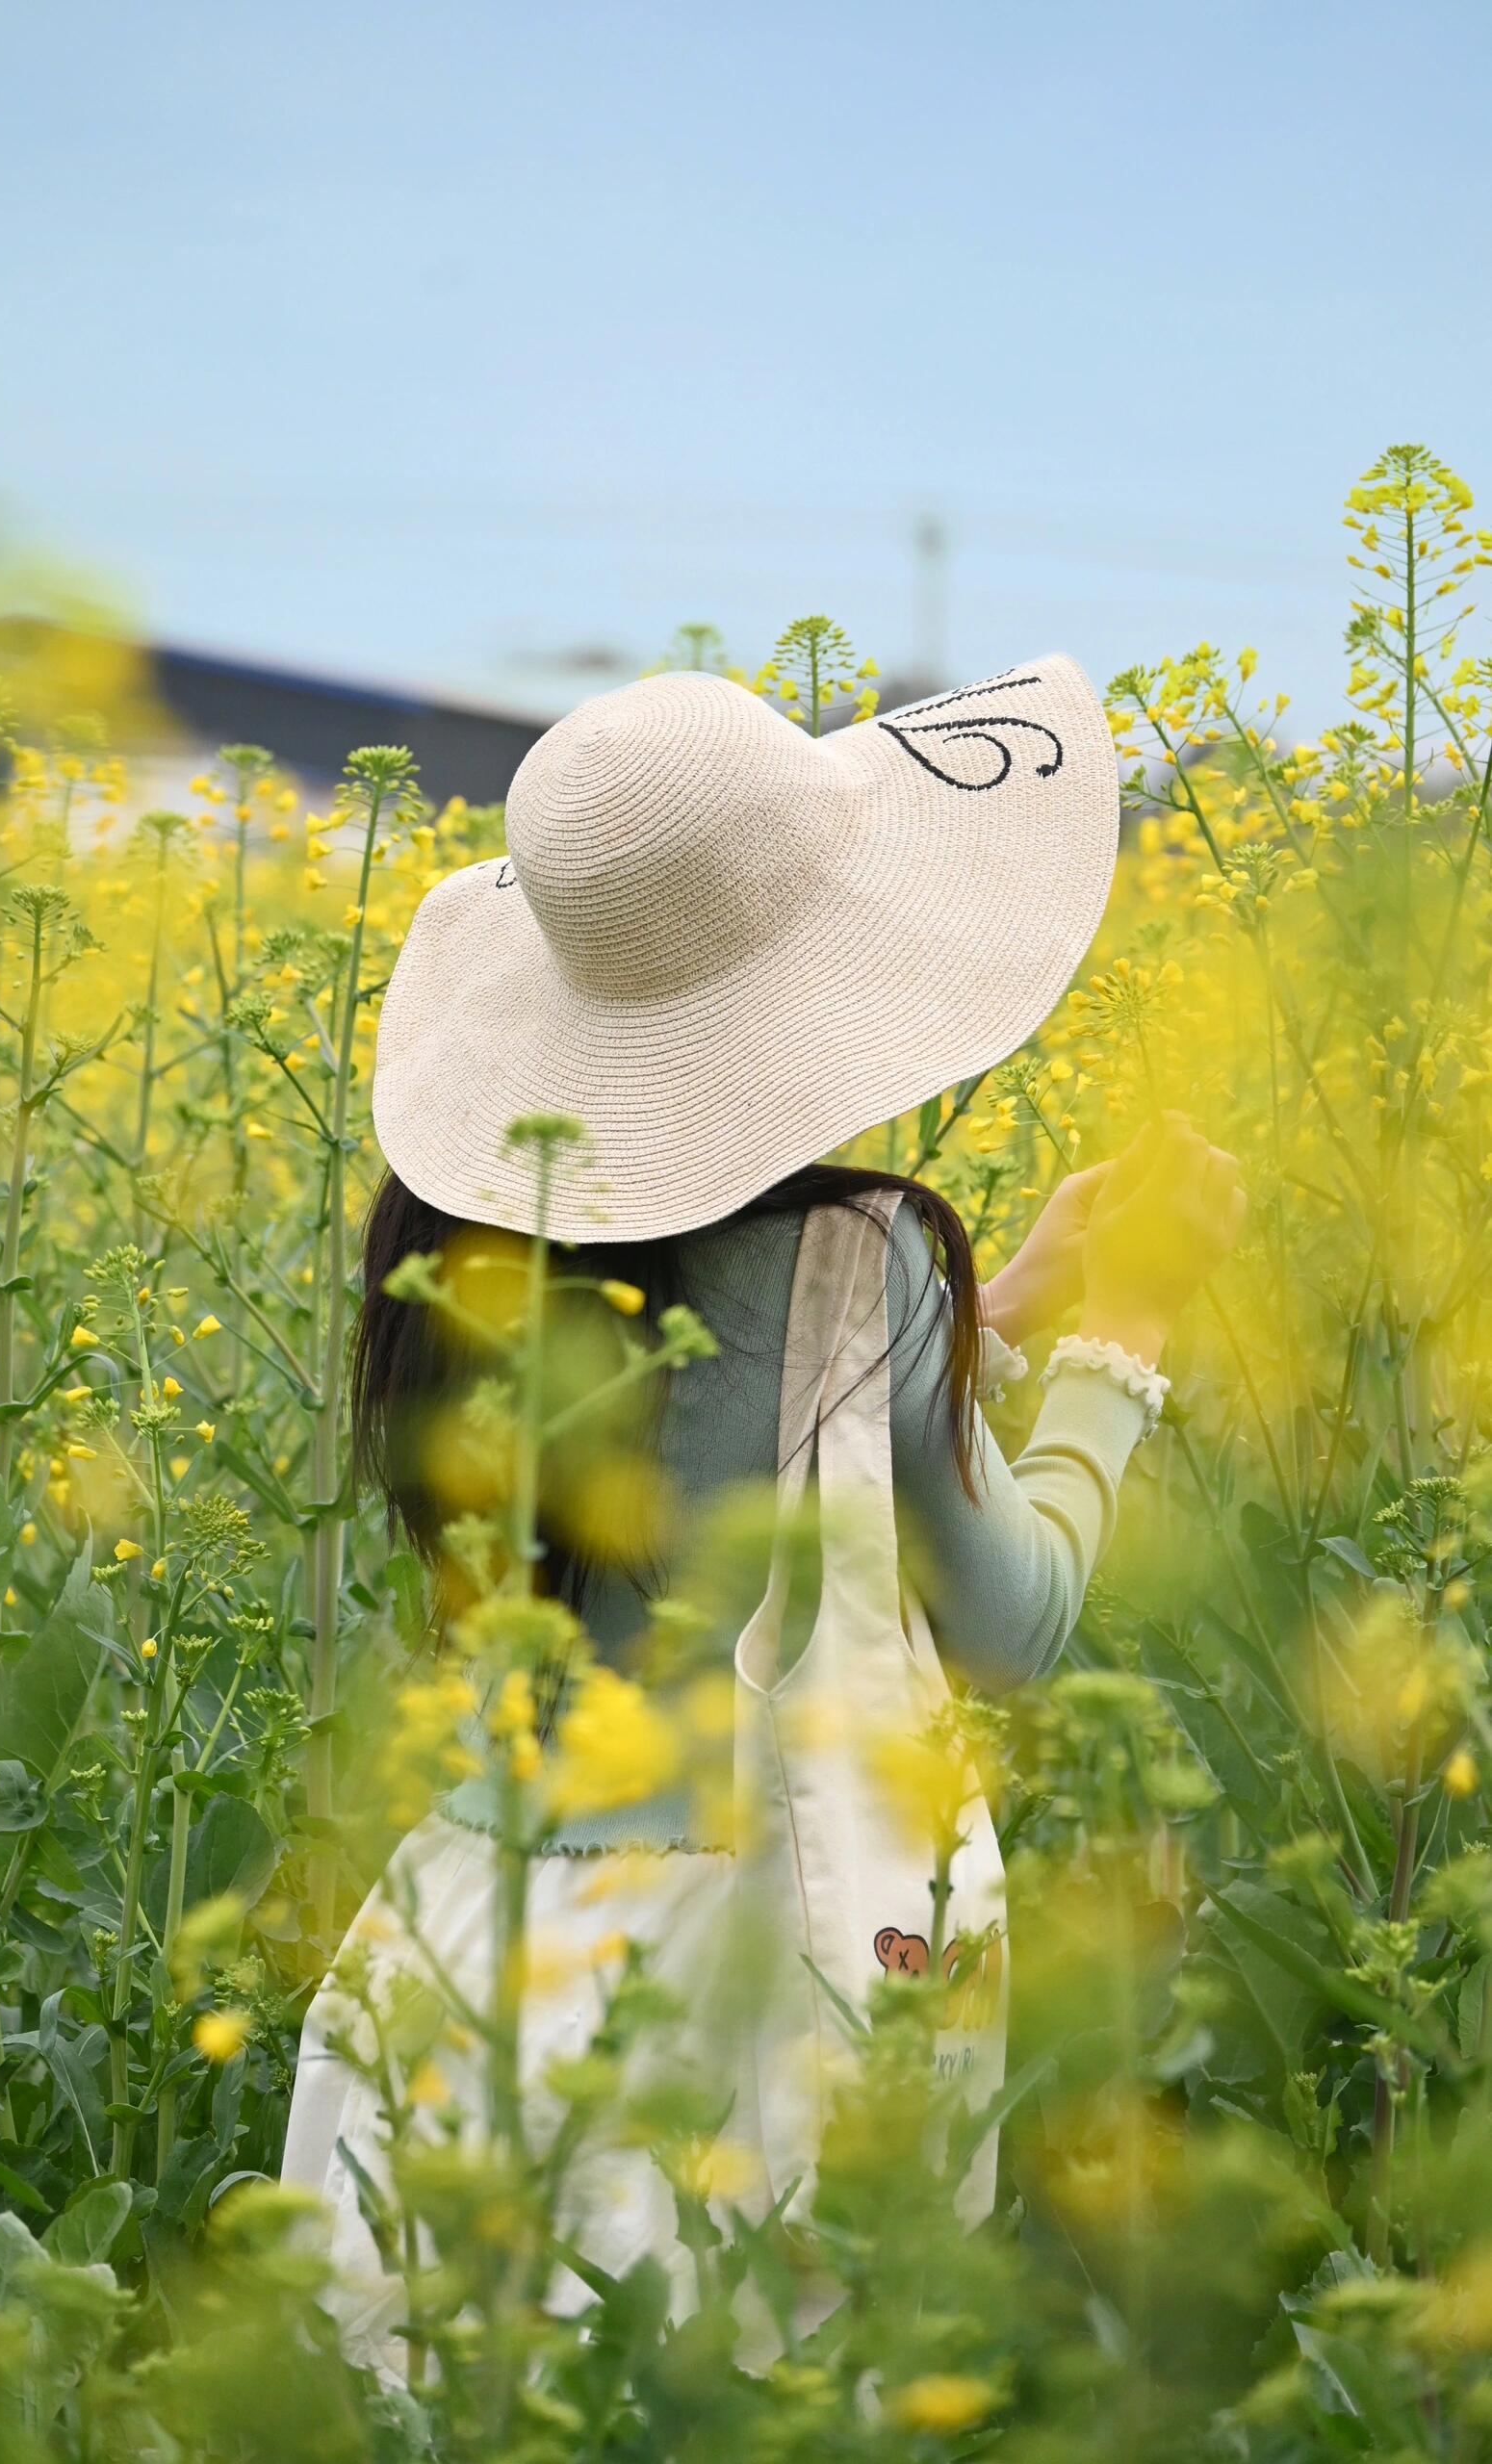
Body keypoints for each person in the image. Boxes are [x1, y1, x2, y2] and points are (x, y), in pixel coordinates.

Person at [281, 655, 1244, 2356]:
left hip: (466, 1952)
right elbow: (1014, 1624)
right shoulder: (863, 1251)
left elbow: (703, 1425)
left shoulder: (435, 1245)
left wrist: (987, 1315)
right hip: (747, 1983)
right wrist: (1122, 1340)